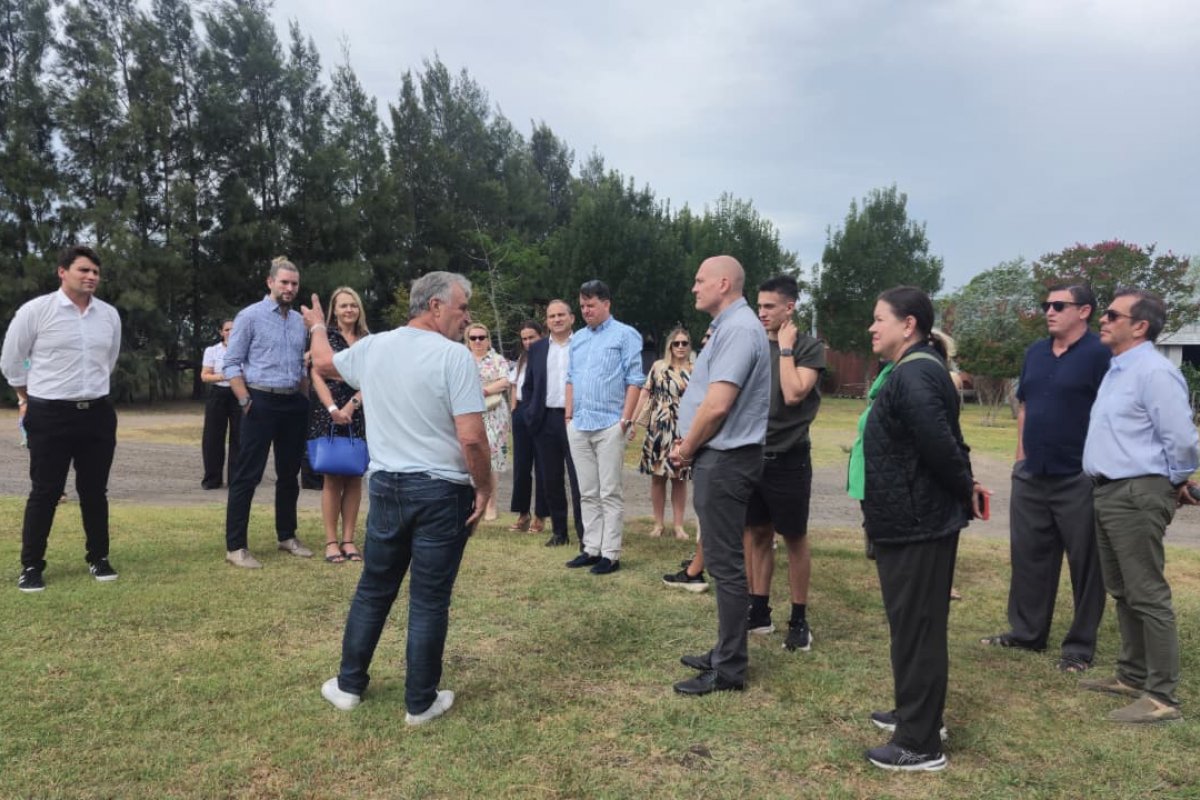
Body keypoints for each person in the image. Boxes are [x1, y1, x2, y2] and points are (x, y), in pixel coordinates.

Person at [309, 271, 490, 726]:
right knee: (429, 598)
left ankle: (349, 685)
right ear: (435, 306)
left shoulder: (375, 347)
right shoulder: (454, 357)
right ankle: (420, 701)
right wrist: (485, 486)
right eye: (462, 308)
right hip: (442, 490)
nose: (467, 317)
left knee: (374, 588)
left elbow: (325, 363)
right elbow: (472, 437)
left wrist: (316, 326)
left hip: (388, 486)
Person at [851, 286, 987, 772]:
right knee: (912, 626)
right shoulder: (912, 370)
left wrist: (964, 489)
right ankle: (918, 715)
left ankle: (920, 743)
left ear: (908, 325)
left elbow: (942, 446)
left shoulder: (915, 374)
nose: (871, 327)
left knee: (918, 630)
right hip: (907, 521)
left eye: (879, 318)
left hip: (918, 523)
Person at [1079, 288, 1199, 724]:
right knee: (1122, 589)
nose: (1103, 320)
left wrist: (1175, 481)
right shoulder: (1119, 369)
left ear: (1140, 326)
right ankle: (1131, 675)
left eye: (1113, 315)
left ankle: (1162, 697)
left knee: (1147, 593)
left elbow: (1182, 438)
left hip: (1136, 493)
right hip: (1110, 491)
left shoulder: (1154, 372)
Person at [980, 285, 1111, 671]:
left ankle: (1079, 648)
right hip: (1032, 474)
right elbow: (1025, 406)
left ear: (1084, 311)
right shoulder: (1035, 352)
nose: (1048, 311)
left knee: (1086, 564)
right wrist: (1020, 460)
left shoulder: (1101, 354)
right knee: (1029, 558)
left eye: (1058, 305)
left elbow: (1112, 412)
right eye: (1045, 305)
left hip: (1079, 476)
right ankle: (1027, 633)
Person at [670, 255, 771, 695]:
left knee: (726, 565)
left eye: (700, 280)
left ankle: (729, 668)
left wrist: (686, 448)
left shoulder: (739, 329)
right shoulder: (732, 326)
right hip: (721, 456)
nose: (694, 287)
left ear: (724, 283)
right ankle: (724, 652)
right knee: (723, 559)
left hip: (726, 459)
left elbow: (717, 405)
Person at [2, 245, 122, 592]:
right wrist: (27, 397)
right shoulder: (36, 311)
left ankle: (98, 557)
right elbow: (12, 361)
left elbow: (108, 361)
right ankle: (31, 565)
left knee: (95, 491)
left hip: (97, 413)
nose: (91, 276)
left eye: (95, 272)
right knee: (46, 490)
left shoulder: (109, 315)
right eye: (83, 270)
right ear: (62, 272)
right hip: (49, 414)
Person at [743, 276, 826, 652]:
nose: (761, 313)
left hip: (789, 458)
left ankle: (799, 620)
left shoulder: (808, 347)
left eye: (769, 306)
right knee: (757, 534)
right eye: (758, 306)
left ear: (789, 308)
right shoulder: (755, 344)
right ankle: (759, 610)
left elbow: (793, 393)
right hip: (752, 454)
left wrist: (787, 348)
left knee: (793, 537)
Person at [222, 256, 314, 568]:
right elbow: (231, 363)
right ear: (270, 282)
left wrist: (304, 399)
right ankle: (236, 547)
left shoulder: (299, 321)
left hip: (292, 402)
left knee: (289, 474)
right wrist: (245, 400)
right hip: (259, 400)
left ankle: (287, 535)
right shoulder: (250, 316)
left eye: (294, 284)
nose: (289, 288)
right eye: (284, 282)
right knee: (247, 474)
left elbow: (301, 365)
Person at [564, 280, 644, 575]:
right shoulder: (578, 339)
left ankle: (610, 553)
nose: (586, 310)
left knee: (609, 491)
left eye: (591, 305)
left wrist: (625, 419)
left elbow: (635, 379)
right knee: (587, 491)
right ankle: (591, 548)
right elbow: (570, 378)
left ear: (606, 303)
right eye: (582, 306)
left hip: (610, 423)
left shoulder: (625, 334)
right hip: (580, 424)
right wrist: (568, 417)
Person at [308, 287, 369, 564]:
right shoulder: (326, 337)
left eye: (353, 305)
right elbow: (316, 372)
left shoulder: (368, 340)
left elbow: (372, 376)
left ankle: (349, 540)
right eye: (343, 305)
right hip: (328, 412)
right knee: (332, 476)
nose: (349, 310)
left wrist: (352, 404)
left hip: (360, 411)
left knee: (355, 475)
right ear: (335, 309)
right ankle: (331, 542)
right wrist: (334, 408)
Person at [521, 300, 584, 547]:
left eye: (561, 315)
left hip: (576, 419)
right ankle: (559, 532)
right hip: (545, 419)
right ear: (546, 321)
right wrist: (530, 414)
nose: (556, 319)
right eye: (551, 316)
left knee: (580, 479)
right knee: (551, 479)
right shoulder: (537, 349)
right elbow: (528, 385)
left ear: (571, 318)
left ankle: (585, 533)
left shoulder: (583, 343)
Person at [629, 325, 693, 540]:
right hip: (659, 427)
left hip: (682, 428)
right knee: (657, 477)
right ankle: (658, 523)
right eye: (676, 343)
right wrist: (632, 421)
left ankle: (678, 525)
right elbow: (644, 394)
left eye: (684, 343)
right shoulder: (658, 367)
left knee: (679, 478)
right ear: (670, 346)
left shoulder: (695, 369)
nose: (681, 347)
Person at [465, 323, 509, 521]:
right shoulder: (462, 359)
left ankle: (491, 504)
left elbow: (505, 381)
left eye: (481, 337)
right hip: (469, 412)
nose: (478, 341)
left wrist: (484, 390)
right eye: (473, 338)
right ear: (468, 341)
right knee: (471, 456)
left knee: (492, 458)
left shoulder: (497, 359)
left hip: (494, 412)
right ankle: (473, 502)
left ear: (488, 339)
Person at [508, 320, 548, 533]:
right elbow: (514, 385)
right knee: (521, 466)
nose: (528, 342)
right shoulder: (522, 359)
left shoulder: (549, 356)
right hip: (522, 411)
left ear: (541, 336)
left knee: (542, 466)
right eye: (524, 338)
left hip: (541, 410)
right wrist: (514, 410)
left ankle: (541, 515)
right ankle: (523, 513)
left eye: (532, 337)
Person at [201, 319, 241, 490]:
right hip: (218, 392)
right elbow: (205, 375)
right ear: (221, 332)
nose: (230, 332)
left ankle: (236, 478)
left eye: (233, 329)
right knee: (213, 437)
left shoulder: (244, 350)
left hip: (238, 392)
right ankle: (212, 478)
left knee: (239, 436)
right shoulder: (212, 351)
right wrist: (223, 376)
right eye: (227, 329)